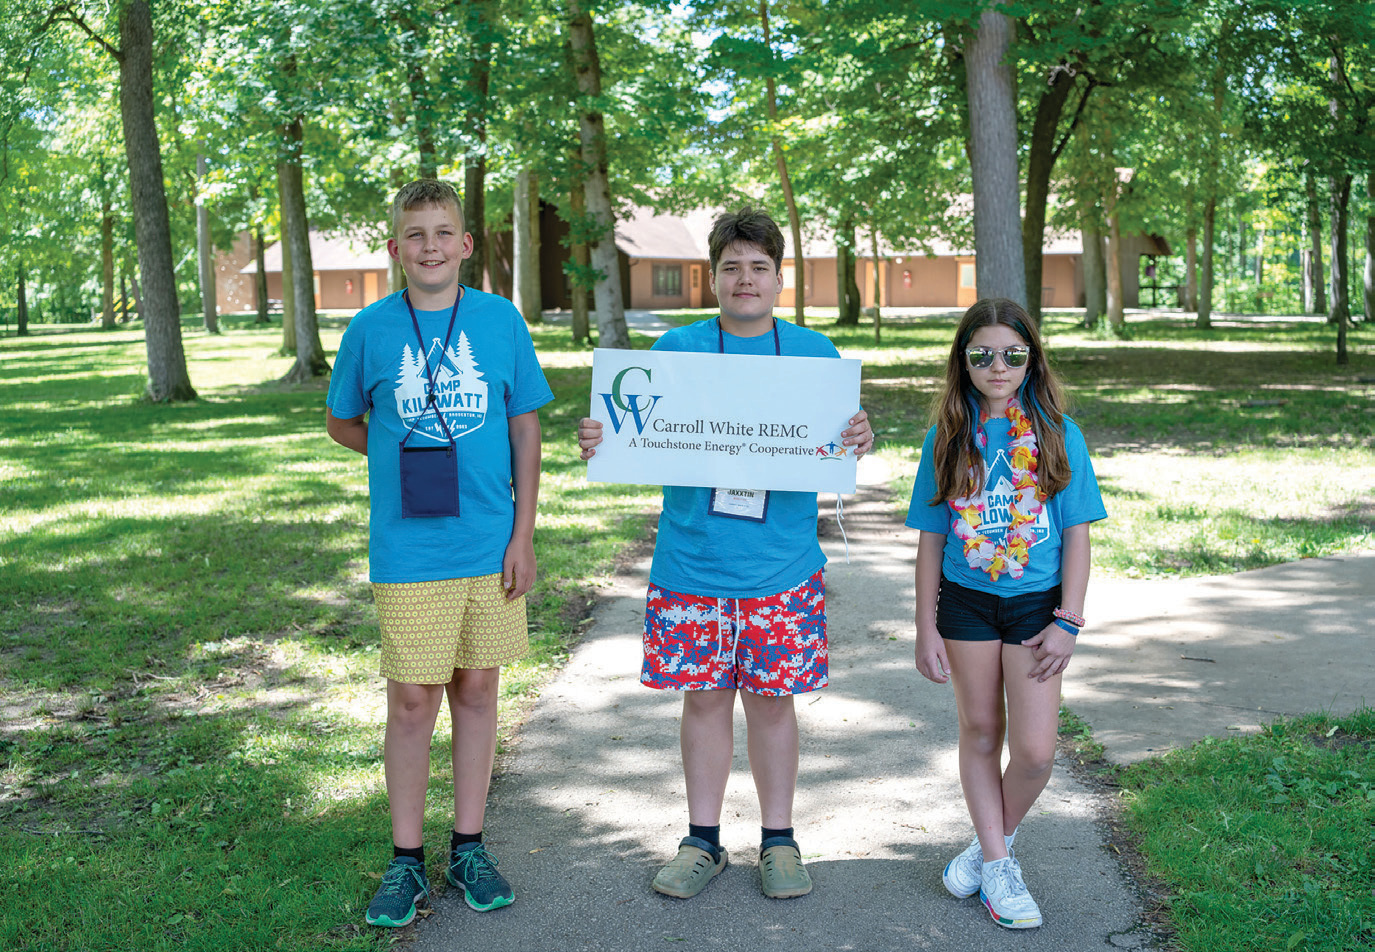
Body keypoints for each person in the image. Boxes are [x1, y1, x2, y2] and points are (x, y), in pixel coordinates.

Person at [577, 208, 874, 901]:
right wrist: (600, 437)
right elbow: (628, 430)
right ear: (712, 276)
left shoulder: (814, 356)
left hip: (782, 564)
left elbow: (836, 443)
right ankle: (701, 841)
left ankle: (778, 841)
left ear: (779, 278)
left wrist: (857, 434)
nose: (745, 279)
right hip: (692, 562)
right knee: (704, 701)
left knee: (773, 705)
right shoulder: (675, 350)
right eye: (731, 267)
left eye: (759, 267)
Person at [325, 179, 553, 927]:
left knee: (478, 691)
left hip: (488, 542)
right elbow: (343, 422)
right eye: (414, 234)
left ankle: (468, 845)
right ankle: (404, 860)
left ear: (464, 244)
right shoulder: (369, 328)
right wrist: (399, 451)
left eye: (442, 232)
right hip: (409, 547)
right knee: (414, 698)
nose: (429, 245)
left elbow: (524, 427)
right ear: (395, 249)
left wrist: (521, 535)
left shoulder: (499, 322)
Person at [907, 297, 1106, 929]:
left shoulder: (1057, 433)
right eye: (983, 354)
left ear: (1032, 359)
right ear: (962, 362)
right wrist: (925, 626)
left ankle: (988, 844)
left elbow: (1077, 533)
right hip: (965, 603)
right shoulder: (947, 437)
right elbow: (932, 539)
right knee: (980, 733)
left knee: (1036, 752)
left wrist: (1068, 619)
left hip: (1035, 606)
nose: (999, 367)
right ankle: (998, 868)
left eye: (1013, 354)